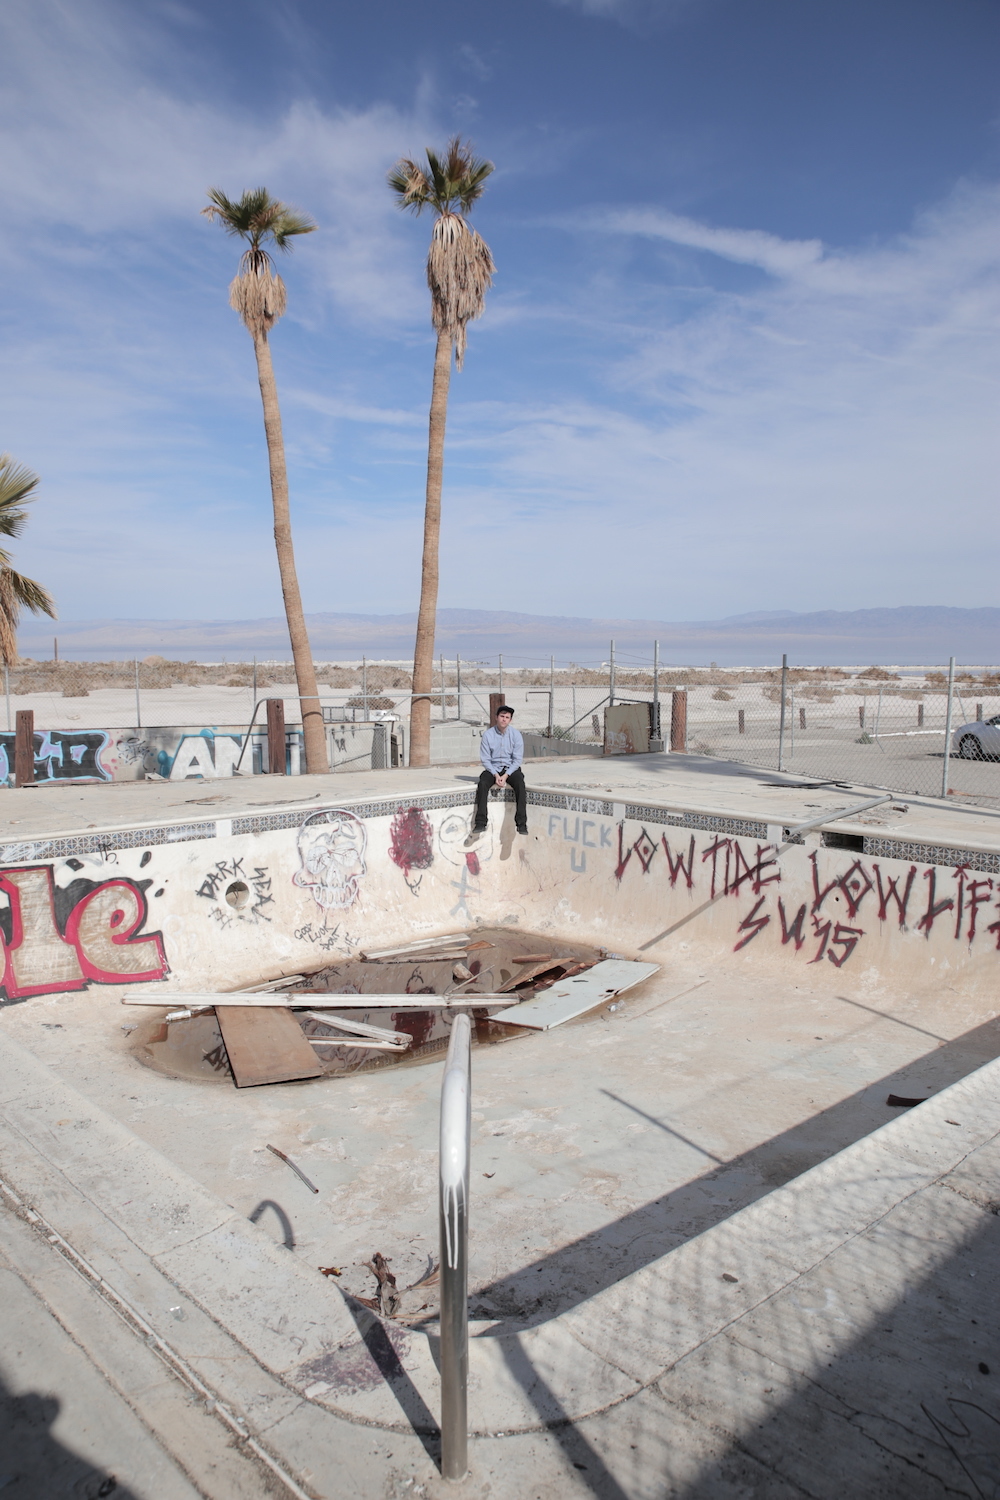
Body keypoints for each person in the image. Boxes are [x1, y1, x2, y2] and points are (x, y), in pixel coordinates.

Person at [468, 705, 527, 840]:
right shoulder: (488, 735)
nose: (504, 720)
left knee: (520, 783)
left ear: (510, 720)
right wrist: (496, 775)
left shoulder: (516, 735)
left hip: (510, 769)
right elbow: (485, 759)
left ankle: (521, 823)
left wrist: (505, 775)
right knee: (482, 783)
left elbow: (517, 760)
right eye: (502, 716)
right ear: (496, 717)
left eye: (507, 717)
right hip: (493, 768)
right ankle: (481, 822)